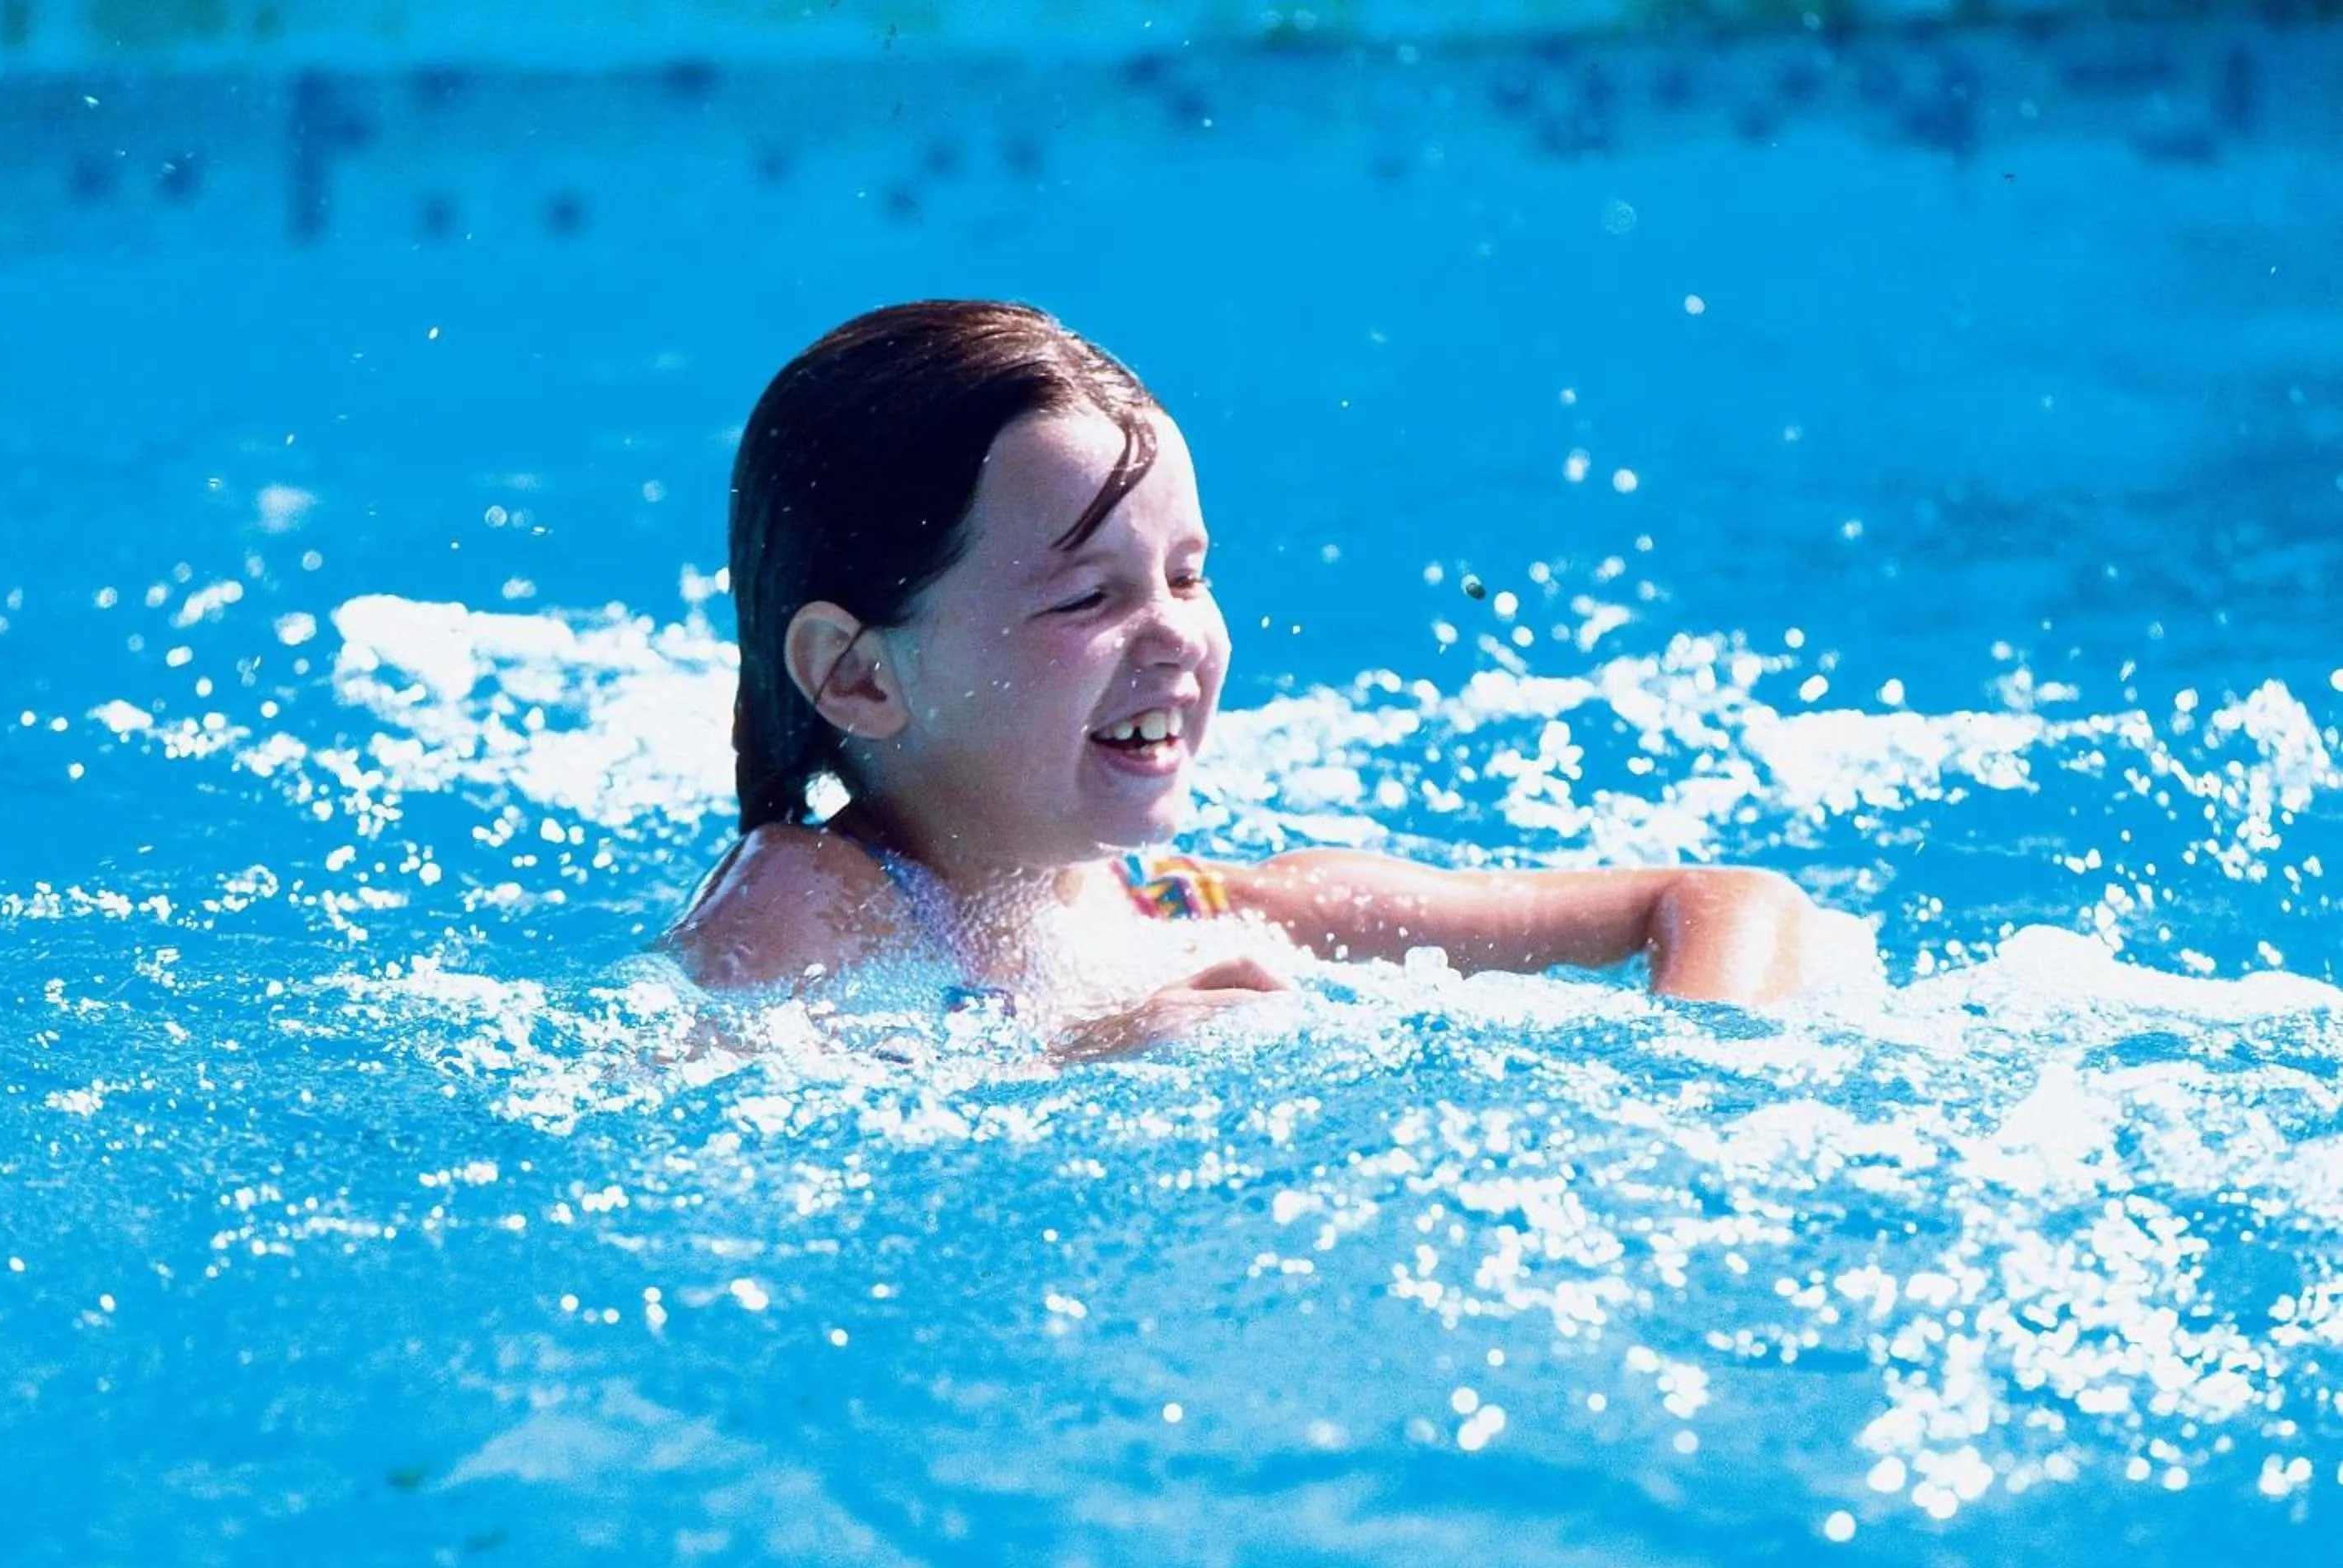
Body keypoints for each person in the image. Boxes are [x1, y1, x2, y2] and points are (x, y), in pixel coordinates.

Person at [667, 300, 1854, 1058]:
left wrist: (1696, 1080)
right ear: (859, 674)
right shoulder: (811, 900)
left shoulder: (1196, 910)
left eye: (1189, 576)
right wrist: (1083, 1065)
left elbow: (1725, 901)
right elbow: (683, 1150)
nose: (1176, 635)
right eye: (1088, 596)